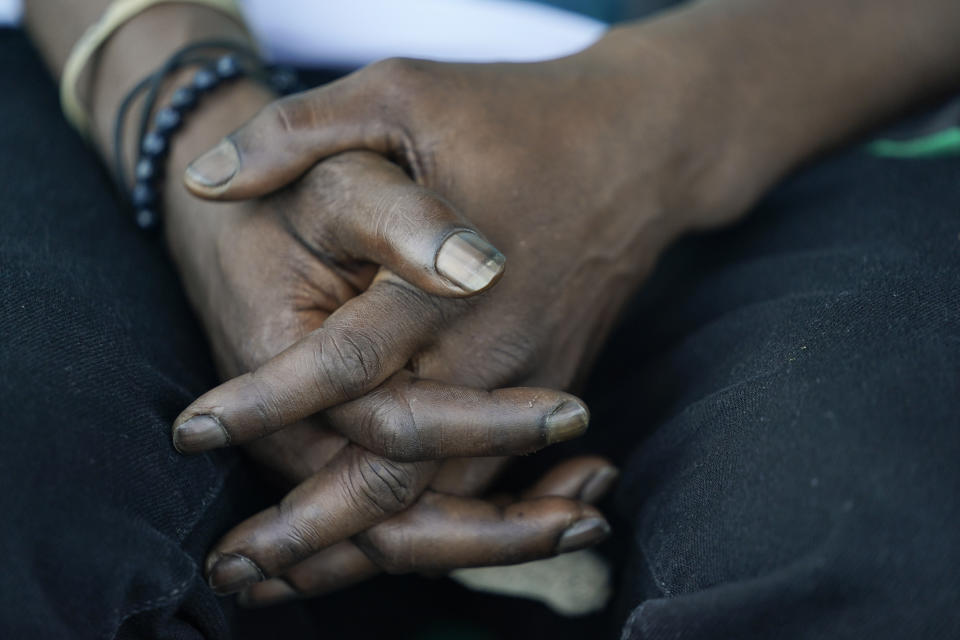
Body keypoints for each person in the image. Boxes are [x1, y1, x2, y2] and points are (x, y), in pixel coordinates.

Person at [5, 0, 960, 637]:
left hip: (794, 97)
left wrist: (644, 128)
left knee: (877, 528)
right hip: (118, 72)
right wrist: (189, 123)